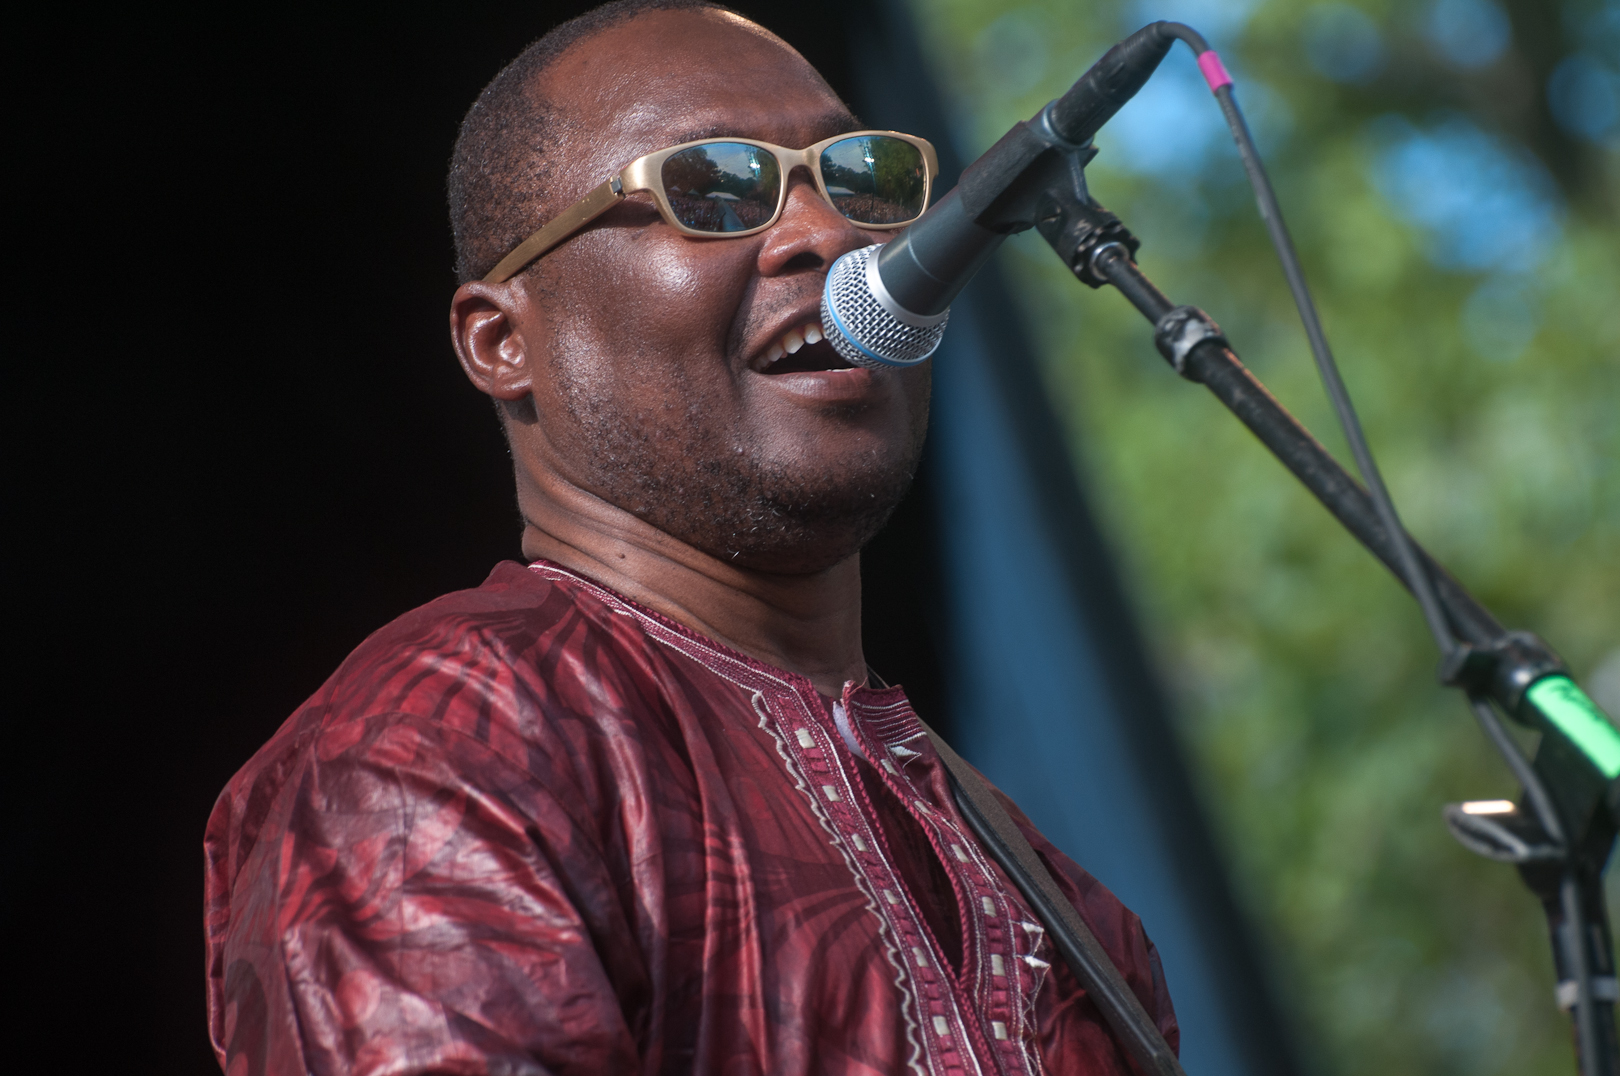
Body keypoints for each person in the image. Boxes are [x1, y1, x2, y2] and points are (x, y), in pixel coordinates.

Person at [203, 3, 1178, 1073]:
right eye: (715, 187)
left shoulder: (1081, 919)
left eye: (861, 179)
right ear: (502, 340)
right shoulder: (438, 747)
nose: (826, 234)